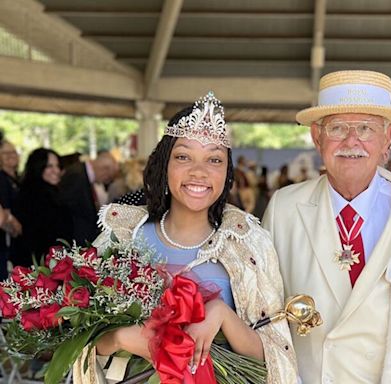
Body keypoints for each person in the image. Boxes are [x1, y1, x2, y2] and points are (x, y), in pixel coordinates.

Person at [262, 70, 391, 383]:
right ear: (316, 137)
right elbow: (265, 316)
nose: (352, 141)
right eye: (337, 128)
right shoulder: (283, 207)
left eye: (366, 128)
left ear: (387, 137)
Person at [74, 93, 298, 383]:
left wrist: (222, 315)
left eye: (214, 159)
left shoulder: (248, 245)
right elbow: (79, 340)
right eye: (183, 156)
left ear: (226, 172)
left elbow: (274, 357)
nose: (199, 172)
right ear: (164, 164)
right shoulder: (122, 237)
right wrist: (119, 338)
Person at [12, 148, 73, 267]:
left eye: (57, 165)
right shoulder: (31, 196)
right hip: (39, 267)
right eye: (49, 166)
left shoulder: (53, 193)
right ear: (38, 167)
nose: (56, 170)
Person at [59, 151, 118, 246]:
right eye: (109, 178)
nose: (106, 181)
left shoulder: (82, 174)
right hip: (74, 240)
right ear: (105, 170)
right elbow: (70, 210)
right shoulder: (76, 175)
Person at [0, 136, 22, 280]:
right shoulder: (1, 178)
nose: (11, 156)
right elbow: (5, 213)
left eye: (13, 152)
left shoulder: (17, 178)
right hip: (8, 238)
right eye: (6, 153)